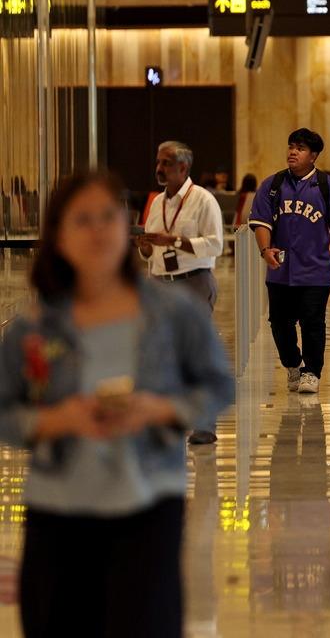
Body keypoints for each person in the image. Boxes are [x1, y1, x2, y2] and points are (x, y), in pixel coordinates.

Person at [0, 171, 234, 637]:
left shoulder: (174, 313)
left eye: (107, 217)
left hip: (146, 508)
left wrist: (161, 410)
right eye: (81, 219)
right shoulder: (34, 327)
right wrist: (54, 419)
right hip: (59, 512)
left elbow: (217, 385)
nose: (98, 231)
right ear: (58, 234)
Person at [249, 128, 330, 396]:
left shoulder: (328, 187)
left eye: (300, 148)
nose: (292, 152)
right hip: (280, 272)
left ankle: (312, 372)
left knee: (312, 322)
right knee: (279, 323)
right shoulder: (272, 186)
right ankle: (293, 364)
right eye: (291, 146)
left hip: (316, 271)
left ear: (314, 155)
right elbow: (260, 223)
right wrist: (265, 250)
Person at [135, 140, 225, 446]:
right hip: (160, 284)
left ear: (183, 168)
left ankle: (203, 424)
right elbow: (154, 251)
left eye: (166, 163)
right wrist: (147, 248)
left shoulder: (203, 200)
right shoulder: (157, 202)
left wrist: (174, 242)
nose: (159, 168)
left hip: (193, 282)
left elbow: (215, 245)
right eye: (158, 162)